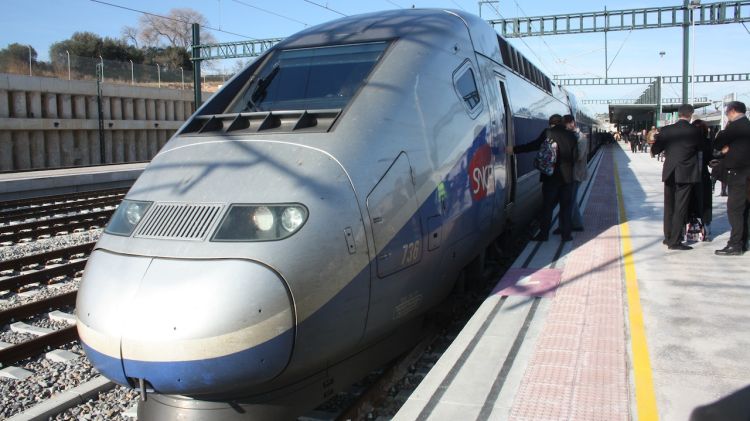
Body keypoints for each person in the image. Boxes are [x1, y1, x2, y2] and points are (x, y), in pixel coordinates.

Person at [507, 114, 578, 242]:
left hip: (550, 177)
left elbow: (533, 145)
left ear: (551, 123)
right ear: (561, 122)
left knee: (547, 206)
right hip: (568, 178)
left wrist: (514, 150)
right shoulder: (571, 135)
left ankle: (543, 234)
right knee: (566, 207)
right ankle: (566, 235)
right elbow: (576, 157)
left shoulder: (548, 132)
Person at [650, 104, 703, 250]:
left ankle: (667, 237)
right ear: (690, 114)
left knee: (669, 206)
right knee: (681, 207)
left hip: (670, 172)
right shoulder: (695, 131)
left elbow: (655, 149)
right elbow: (701, 148)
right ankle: (675, 240)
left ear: (678, 114)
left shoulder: (667, 130)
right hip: (686, 174)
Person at [713, 101, 750, 256]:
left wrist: (726, 129)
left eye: (727, 112)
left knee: (734, 210)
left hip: (738, 173)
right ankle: (744, 242)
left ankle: (735, 245)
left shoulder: (735, 127)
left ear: (732, 111)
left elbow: (717, 143)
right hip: (748, 173)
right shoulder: (748, 125)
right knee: (746, 209)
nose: (727, 115)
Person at [563, 114, 586, 232]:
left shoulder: (580, 137)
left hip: (576, 173)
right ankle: (575, 224)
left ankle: (574, 225)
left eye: (566, 124)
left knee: (571, 199)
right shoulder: (572, 136)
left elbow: (580, 156)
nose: (565, 127)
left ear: (572, 123)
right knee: (571, 200)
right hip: (571, 173)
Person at [691, 119, 713, 234]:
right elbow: (710, 158)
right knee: (705, 201)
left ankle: (690, 224)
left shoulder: (688, 141)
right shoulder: (707, 142)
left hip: (689, 175)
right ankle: (706, 225)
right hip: (703, 175)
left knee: (691, 200)